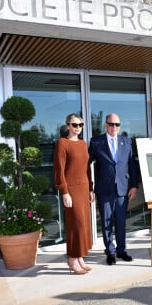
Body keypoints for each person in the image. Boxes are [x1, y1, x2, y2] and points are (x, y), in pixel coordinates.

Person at [89, 113, 139, 265]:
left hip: (123, 189)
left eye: (117, 125)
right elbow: (85, 164)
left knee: (121, 222)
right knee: (106, 222)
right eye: (111, 124)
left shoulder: (126, 141)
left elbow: (132, 165)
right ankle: (110, 251)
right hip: (104, 189)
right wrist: (88, 187)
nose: (114, 127)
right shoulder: (96, 142)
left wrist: (135, 186)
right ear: (105, 125)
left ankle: (121, 250)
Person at [54, 113, 95, 275]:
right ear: (67, 126)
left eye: (80, 125)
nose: (78, 128)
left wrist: (91, 188)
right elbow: (59, 170)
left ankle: (79, 257)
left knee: (83, 225)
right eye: (74, 125)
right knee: (75, 225)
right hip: (71, 190)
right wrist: (64, 192)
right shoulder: (62, 143)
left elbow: (87, 169)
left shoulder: (84, 144)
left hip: (84, 189)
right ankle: (72, 258)